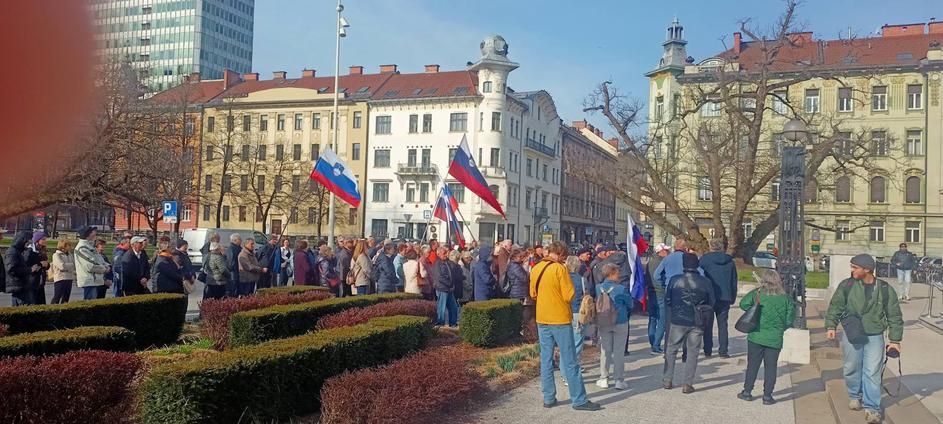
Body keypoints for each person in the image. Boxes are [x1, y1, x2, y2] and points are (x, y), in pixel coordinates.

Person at [825, 254, 904, 424]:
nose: (851, 270)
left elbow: (894, 315)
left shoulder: (885, 289)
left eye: (855, 267)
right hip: (852, 332)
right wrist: (831, 326)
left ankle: (872, 408)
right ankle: (855, 395)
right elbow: (836, 306)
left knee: (872, 371)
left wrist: (895, 340)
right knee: (851, 367)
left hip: (875, 335)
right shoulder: (847, 285)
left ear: (867, 269)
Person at [531, 242, 599, 411]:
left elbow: (533, 293)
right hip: (559, 319)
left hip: (542, 317)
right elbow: (569, 295)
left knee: (546, 359)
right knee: (570, 360)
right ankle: (579, 399)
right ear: (561, 254)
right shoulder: (560, 269)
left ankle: (548, 397)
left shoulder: (536, 268)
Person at [738, 269, 795, 405]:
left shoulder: (757, 293)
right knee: (771, 368)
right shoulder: (786, 298)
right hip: (774, 338)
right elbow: (789, 319)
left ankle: (747, 392)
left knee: (753, 365)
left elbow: (743, 304)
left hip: (756, 335)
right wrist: (779, 328)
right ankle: (767, 396)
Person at [663, 253, 715, 394]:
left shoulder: (674, 280)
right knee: (693, 352)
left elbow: (668, 300)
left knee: (671, 349)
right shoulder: (705, 282)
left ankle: (667, 379)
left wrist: (676, 309)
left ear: (683, 264)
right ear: (697, 265)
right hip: (697, 320)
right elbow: (712, 302)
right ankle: (687, 383)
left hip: (678, 319)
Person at [699, 238, 738, 358]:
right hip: (725, 296)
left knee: (707, 325)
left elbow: (700, 277)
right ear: (721, 247)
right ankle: (723, 351)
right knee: (723, 325)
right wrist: (732, 296)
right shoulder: (730, 261)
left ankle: (708, 350)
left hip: (708, 296)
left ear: (710, 247)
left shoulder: (704, 260)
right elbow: (733, 281)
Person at [595, 263, 631, 390]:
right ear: (611, 274)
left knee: (605, 350)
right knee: (619, 351)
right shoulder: (621, 289)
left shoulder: (598, 287)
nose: (619, 275)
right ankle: (619, 380)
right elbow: (630, 304)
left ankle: (603, 378)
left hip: (604, 321)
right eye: (617, 273)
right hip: (620, 321)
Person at [74, 226, 110, 301]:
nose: (95, 233)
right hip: (89, 281)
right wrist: (104, 269)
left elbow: (100, 260)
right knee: (90, 303)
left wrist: (107, 265)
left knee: (95, 303)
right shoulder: (82, 248)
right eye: (92, 232)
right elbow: (90, 266)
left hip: (95, 281)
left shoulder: (90, 246)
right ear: (88, 234)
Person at [646, 243, 670, 354]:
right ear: (660, 252)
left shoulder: (650, 262)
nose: (668, 252)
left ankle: (653, 342)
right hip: (660, 291)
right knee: (662, 319)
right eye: (666, 250)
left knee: (652, 318)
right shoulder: (663, 262)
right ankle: (656, 345)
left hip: (651, 291)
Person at [565, 256, 588, 368]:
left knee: (566, 343)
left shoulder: (563, 278)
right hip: (578, 312)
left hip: (565, 312)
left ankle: (565, 367)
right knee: (577, 342)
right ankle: (574, 366)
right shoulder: (582, 280)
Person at [432, 247, 459, 326]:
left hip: (448, 288)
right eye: (444, 253)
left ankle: (453, 323)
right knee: (442, 308)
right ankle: (440, 323)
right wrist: (450, 283)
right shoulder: (437, 263)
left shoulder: (446, 262)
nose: (446, 255)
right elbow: (440, 277)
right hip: (442, 288)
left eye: (446, 253)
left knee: (454, 307)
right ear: (438, 254)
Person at [4, 231, 33, 306]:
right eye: (28, 241)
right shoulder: (12, 252)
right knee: (23, 307)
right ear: (22, 240)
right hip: (17, 286)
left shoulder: (18, 251)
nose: (29, 243)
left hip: (21, 286)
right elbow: (12, 270)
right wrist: (30, 270)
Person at [26, 231, 50, 305]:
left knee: (41, 303)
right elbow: (27, 264)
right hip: (32, 280)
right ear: (37, 240)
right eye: (43, 239)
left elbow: (45, 264)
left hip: (41, 280)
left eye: (45, 239)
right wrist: (40, 264)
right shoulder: (30, 250)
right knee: (33, 302)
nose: (45, 241)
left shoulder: (42, 250)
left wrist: (47, 265)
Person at [50, 239, 76, 304]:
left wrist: (68, 266)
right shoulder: (56, 255)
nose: (70, 247)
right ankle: (53, 308)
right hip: (60, 278)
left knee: (66, 298)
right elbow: (61, 266)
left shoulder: (70, 254)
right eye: (69, 245)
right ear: (63, 246)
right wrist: (70, 265)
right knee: (57, 296)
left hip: (69, 278)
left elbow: (73, 265)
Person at [112, 232, 132, 297]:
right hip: (119, 276)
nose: (130, 245)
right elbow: (117, 266)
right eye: (129, 243)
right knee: (118, 292)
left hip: (123, 276)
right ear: (124, 243)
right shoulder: (119, 252)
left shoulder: (125, 251)